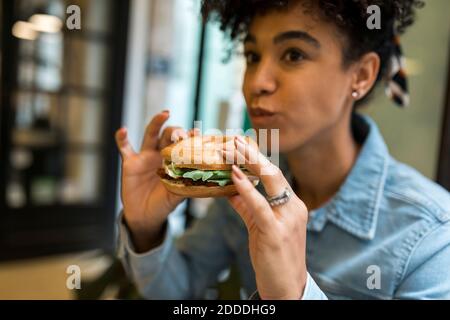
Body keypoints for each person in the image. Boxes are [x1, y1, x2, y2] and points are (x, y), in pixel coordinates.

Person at [114, 0, 450, 299]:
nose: (257, 81)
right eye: (252, 56)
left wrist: (293, 293)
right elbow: (179, 288)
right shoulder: (245, 184)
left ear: (361, 75)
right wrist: (145, 229)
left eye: (293, 54)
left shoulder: (433, 237)